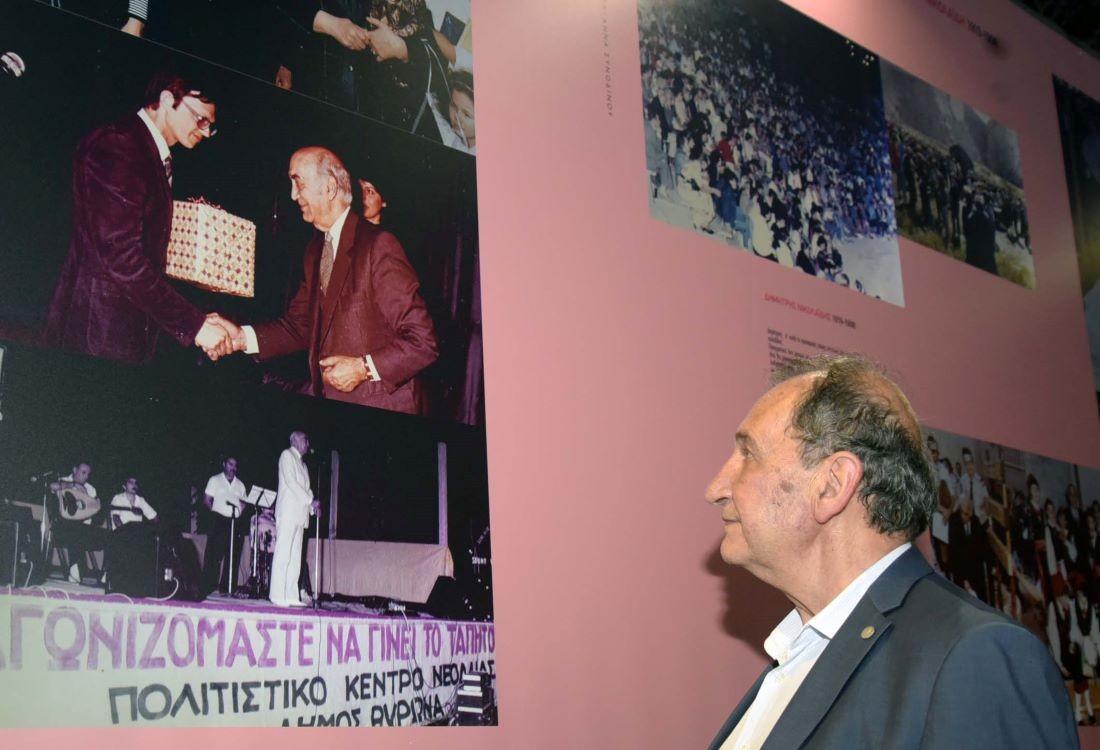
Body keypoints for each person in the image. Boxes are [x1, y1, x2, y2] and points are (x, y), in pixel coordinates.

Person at [704, 354, 1077, 749]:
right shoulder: (797, 655)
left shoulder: (974, 656)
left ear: (832, 485)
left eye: (748, 454)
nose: (716, 489)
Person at [216, 147, 438, 415]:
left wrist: (363, 368)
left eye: (298, 183)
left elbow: (423, 342)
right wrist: (240, 338)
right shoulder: (315, 250)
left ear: (330, 188)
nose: (293, 195)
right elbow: (299, 327)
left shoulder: (378, 246)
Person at [43, 71, 233, 363]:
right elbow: (120, 256)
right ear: (167, 99)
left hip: (122, 327)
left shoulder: (146, 149)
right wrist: (194, 325)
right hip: (99, 333)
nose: (206, 133)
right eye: (201, 120)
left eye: (211, 126)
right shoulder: (119, 145)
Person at [269, 431, 319, 607]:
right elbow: (291, 483)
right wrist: (310, 501)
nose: (308, 443)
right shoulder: (286, 455)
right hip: (288, 512)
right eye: (305, 439)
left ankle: (291, 595)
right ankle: (277, 594)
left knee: (296, 558)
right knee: (283, 553)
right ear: (295, 441)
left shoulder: (303, 465)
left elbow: (307, 489)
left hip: (300, 515)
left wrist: (313, 506)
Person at [48, 462, 107, 583]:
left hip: (85, 528)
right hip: (64, 527)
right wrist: (73, 484)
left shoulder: (91, 489)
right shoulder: (63, 481)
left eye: (88, 474)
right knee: (76, 529)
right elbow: (51, 486)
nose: (86, 476)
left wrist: (91, 501)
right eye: (83, 472)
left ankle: (107, 574)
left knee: (110, 536)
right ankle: (74, 569)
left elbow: (96, 511)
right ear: (75, 470)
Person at [200, 456, 247, 597]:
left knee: (233, 555)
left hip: (235, 521)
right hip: (219, 520)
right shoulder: (215, 480)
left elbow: (244, 502)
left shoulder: (240, 484)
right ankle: (208, 587)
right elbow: (206, 500)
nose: (233, 468)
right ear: (224, 464)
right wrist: (215, 512)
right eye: (230, 464)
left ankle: (227, 588)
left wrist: (239, 512)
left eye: (235, 465)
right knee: (214, 555)